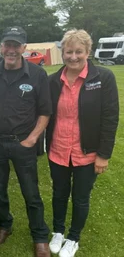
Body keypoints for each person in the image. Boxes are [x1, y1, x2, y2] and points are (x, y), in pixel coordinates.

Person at [0, 26, 52, 257]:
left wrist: (32, 138)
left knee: (31, 193)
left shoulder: (37, 75)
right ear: (1, 47)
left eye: (16, 45)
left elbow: (45, 112)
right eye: (7, 45)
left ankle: (39, 237)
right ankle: (4, 226)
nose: (11, 50)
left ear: (24, 48)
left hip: (23, 144)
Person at [46, 29, 119, 257]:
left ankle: (73, 238)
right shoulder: (52, 81)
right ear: (63, 53)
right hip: (58, 150)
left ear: (88, 52)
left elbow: (110, 118)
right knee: (59, 193)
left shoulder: (103, 78)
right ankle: (58, 231)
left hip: (87, 153)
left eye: (79, 51)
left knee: (80, 197)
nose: (74, 56)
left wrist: (103, 155)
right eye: (69, 51)